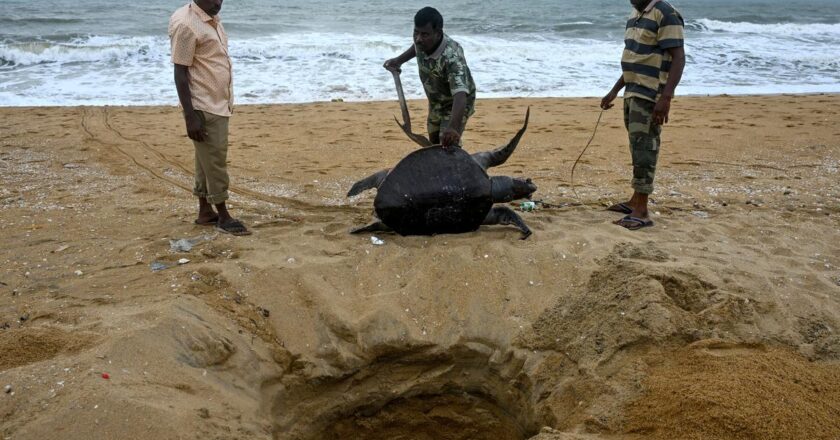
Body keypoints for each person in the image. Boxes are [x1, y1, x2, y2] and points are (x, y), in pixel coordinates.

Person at [600, 0, 685, 230]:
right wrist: (614, 91)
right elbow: (635, 58)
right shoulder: (635, 15)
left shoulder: (665, 13)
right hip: (632, 91)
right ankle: (635, 201)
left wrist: (665, 98)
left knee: (645, 148)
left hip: (651, 95)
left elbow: (678, 57)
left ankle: (642, 211)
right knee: (637, 147)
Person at [169, 0, 250, 235]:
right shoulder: (187, 24)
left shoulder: (209, 16)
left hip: (216, 101)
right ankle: (223, 216)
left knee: (204, 160)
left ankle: (205, 212)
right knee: (215, 160)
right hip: (203, 105)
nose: (218, 2)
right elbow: (180, 73)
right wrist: (190, 116)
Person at [383, 7, 476, 148]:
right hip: (436, 100)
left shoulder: (452, 56)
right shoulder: (422, 42)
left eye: (424, 34)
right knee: (432, 143)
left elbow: (460, 95)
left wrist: (453, 128)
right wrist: (399, 60)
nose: (418, 39)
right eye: (415, 32)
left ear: (438, 33)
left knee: (447, 143)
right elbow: (416, 47)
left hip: (456, 103)